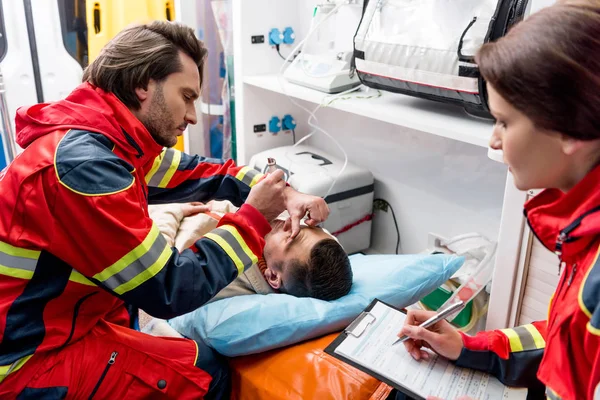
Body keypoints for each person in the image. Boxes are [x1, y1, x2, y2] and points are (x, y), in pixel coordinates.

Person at [0, 21, 329, 399]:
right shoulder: (86, 167)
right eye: (186, 96)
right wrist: (252, 219)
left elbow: (205, 174)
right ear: (143, 85)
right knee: (204, 374)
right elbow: (170, 289)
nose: (192, 115)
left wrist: (283, 192)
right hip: (25, 359)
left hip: (60, 322)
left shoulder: (111, 143)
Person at [395, 1, 600, 399]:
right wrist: (469, 347)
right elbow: (567, 343)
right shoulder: (582, 234)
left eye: (504, 122)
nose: (494, 139)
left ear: (570, 127)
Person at [143, 200, 352, 338]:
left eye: (290, 238)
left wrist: (172, 211)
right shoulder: (267, 245)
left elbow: (152, 257)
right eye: (306, 228)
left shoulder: (221, 276)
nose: (290, 222)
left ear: (272, 277)